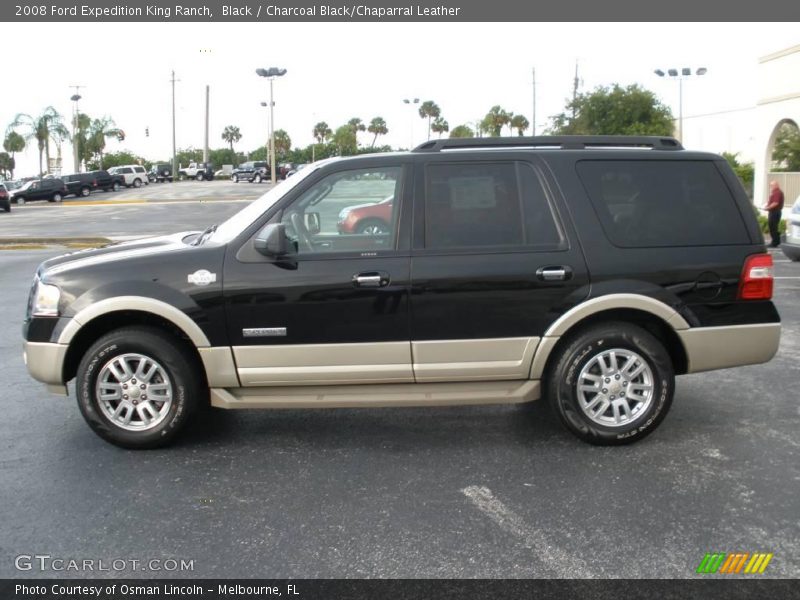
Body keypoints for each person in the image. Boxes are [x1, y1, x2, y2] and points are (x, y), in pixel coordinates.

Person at [764, 180, 784, 248]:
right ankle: (777, 241)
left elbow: (775, 203)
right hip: (774, 212)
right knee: (773, 227)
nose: (771, 187)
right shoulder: (775, 192)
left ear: (776, 185)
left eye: (772, 185)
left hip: (775, 212)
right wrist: (767, 206)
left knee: (773, 227)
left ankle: (774, 243)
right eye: (770, 185)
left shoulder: (777, 192)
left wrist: (768, 208)